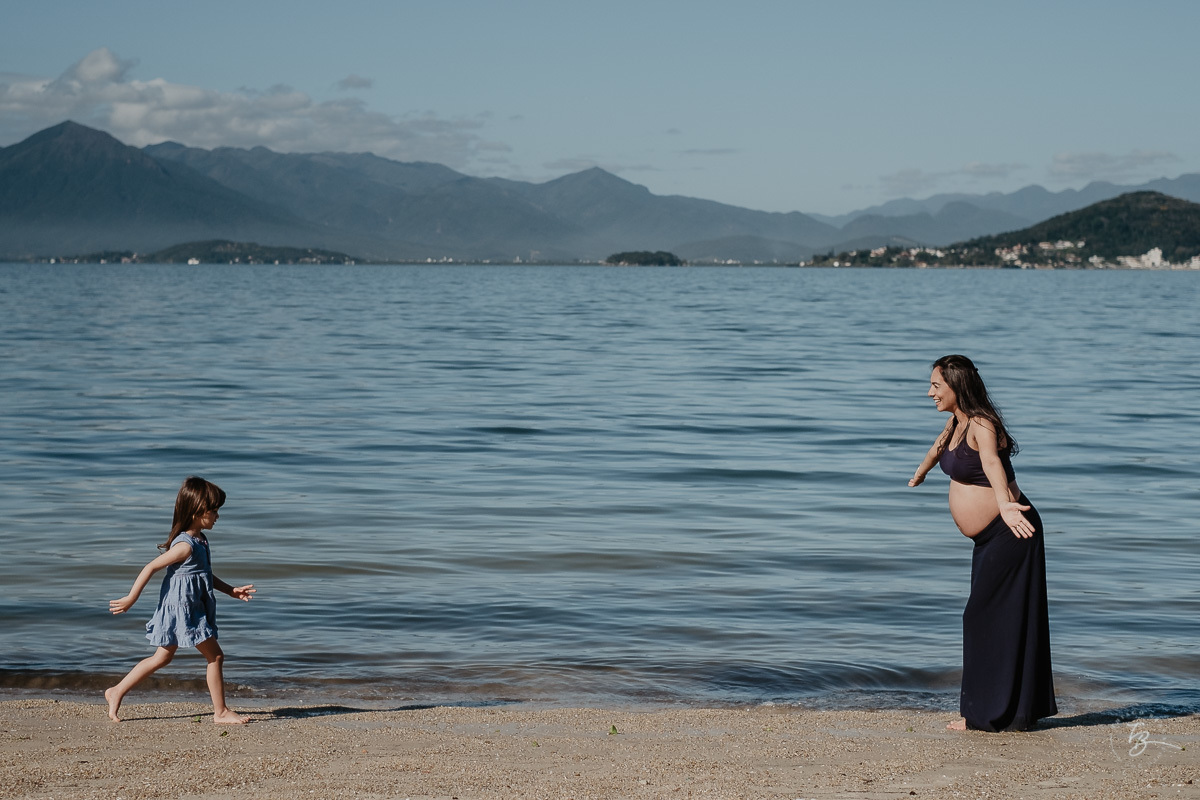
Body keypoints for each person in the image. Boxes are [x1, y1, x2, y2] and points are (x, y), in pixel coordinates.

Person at [909, 355, 1056, 732]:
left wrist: (1006, 505)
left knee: (982, 618)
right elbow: (937, 449)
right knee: (994, 619)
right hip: (990, 538)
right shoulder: (956, 423)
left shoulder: (982, 424)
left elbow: (991, 463)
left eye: (936, 386)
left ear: (957, 386)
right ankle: (1005, 713)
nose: (929, 393)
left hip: (1011, 529)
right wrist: (921, 473)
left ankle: (984, 715)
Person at [105, 477, 255, 723]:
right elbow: (151, 566)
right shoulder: (185, 546)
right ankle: (220, 712)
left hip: (190, 608)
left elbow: (203, 575)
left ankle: (116, 691)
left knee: (162, 657)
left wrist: (230, 590)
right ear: (197, 511)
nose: (217, 516)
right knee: (215, 656)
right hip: (181, 611)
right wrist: (131, 598)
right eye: (214, 511)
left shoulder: (200, 541)